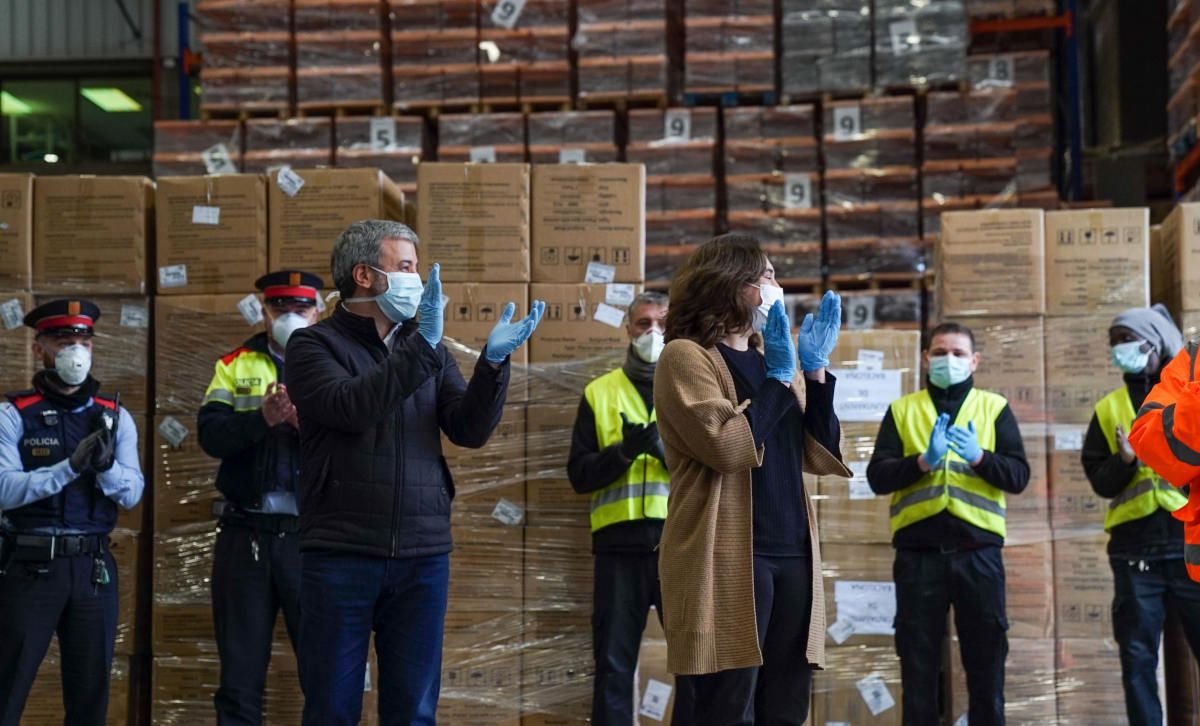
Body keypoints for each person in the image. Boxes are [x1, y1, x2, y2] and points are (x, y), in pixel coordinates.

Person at [284, 219, 544, 725]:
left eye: (417, 268)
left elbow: (467, 428)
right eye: (405, 267)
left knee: (413, 711)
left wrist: (493, 366)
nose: (418, 279)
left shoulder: (431, 350)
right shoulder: (313, 347)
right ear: (364, 275)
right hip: (342, 553)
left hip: (423, 556)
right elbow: (352, 407)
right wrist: (421, 345)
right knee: (332, 709)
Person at [652, 233, 850, 725]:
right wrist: (780, 381)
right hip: (729, 552)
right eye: (766, 276)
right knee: (726, 702)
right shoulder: (686, 357)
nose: (776, 286)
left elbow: (817, 451)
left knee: (785, 703)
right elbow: (726, 446)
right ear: (731, 283)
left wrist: (815, 372)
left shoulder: (771, 358)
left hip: (793, 549)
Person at [866, 322, 1029, 726]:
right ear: (925, 359)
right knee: (918, 672)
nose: (948, 360)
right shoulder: (903, 410)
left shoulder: (994, 408)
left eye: (958, 354)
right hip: (918, 559)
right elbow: (877, 477)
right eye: (940, 353)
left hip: (979, 557)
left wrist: (979, 458)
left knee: (987, 668)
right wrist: (923, 462)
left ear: (975, 361)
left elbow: (1018, 476)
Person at [0, 299, 144, 725]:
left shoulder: (115, 417)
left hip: (91, 567)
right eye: (64, 340)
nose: (75, 350)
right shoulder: (13, 415)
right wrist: (69, 467)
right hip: (30, 567)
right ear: (39, 348)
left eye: (83, 340)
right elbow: (4, 490)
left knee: (90, 692)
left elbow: (133, 492)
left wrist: (104, 466)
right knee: (9, 683)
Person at [198, 270, 325, 725]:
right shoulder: (234, 364)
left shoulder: (339, 363)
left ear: (319, 311)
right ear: (263, 310)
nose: (290, 316)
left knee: (325, 673)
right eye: (280, 308)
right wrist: (262, 419)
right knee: (239, 675)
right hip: (245, 536)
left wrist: (301, 425)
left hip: (311, 540)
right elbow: (210, 436)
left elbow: (360, 442)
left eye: (301, 308)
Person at [568, 291, 683, 725]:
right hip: (618, 550)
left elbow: (716, 471)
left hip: (681, 549)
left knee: (694, 666)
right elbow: (579, 476)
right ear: (628, 329)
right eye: (643, 323)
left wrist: (659, 449)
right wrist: (622, 453)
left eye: (662, 323)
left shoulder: (693, 390)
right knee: (614, 668)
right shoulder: (599, 393)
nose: (653, 332)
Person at [1082, 304, 1200, 726]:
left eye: (1128, 340)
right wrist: (1126, 462)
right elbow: (1099, 479)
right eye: (1114, 343)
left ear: (1155, 342)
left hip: (1188, 544)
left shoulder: (1187, 391)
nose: (1120, 350)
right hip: (1135, 552)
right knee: (1137, 661)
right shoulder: (1109, 408)